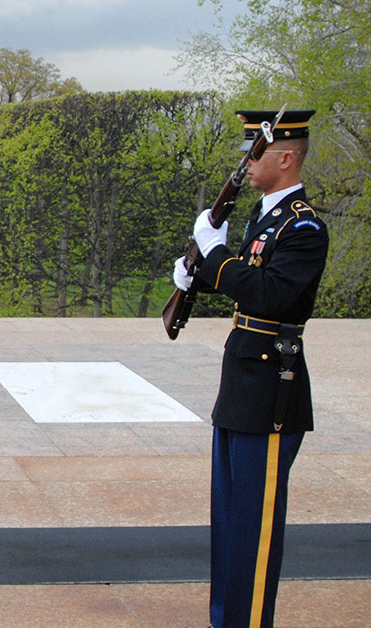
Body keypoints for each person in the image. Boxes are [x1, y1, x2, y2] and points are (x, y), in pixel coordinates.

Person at [172, 109, 327, 628]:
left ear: (285, 158)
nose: (247, 161)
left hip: (271, 390)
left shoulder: (303, 225)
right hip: (240, 384)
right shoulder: (264, 215)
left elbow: (272, 295)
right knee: (230, 524)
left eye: (255, 152)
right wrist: (198, 274)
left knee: (254, 532)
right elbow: (246, 281)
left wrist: (216, 259)